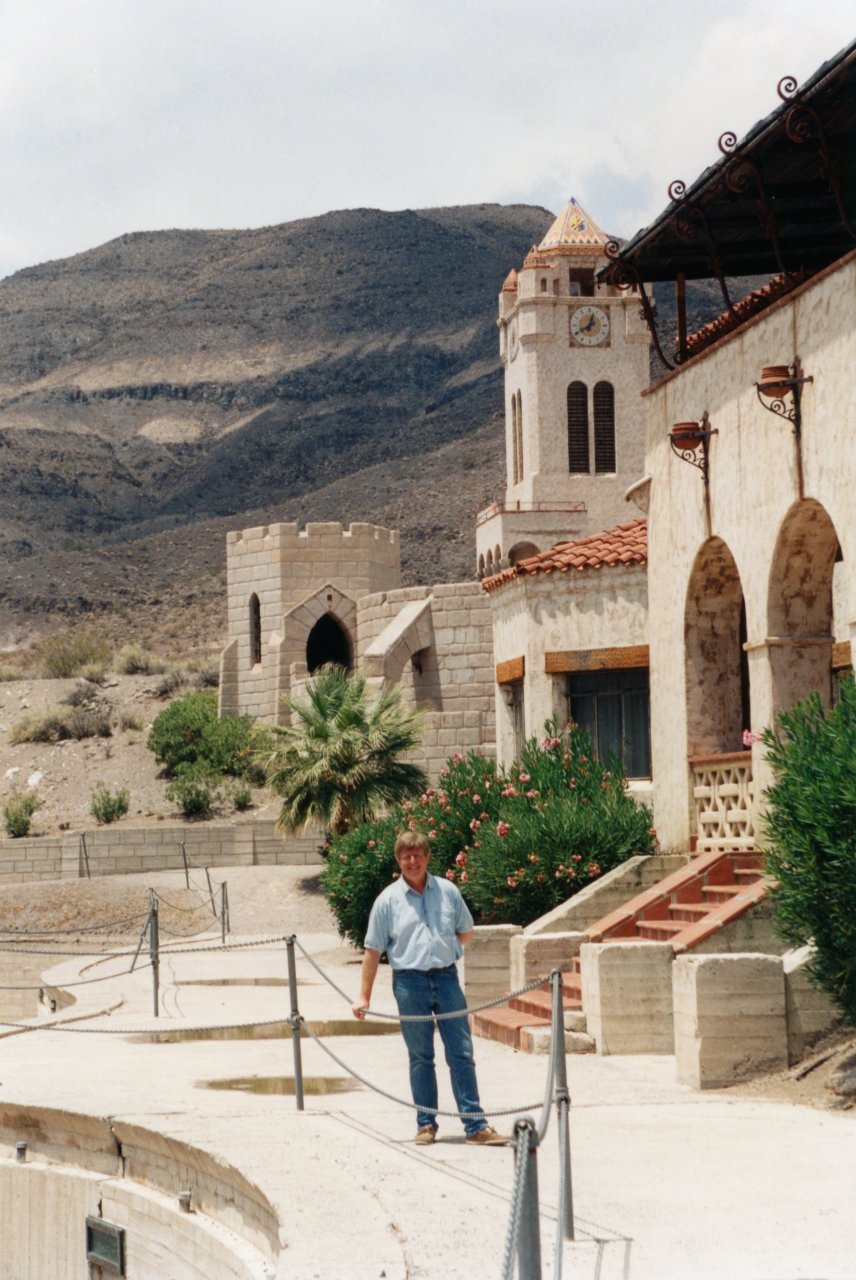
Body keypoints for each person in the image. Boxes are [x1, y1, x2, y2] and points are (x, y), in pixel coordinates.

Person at [352, 830, 507, 1146]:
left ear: (427, 857)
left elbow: (465, 932)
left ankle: (475, 1126)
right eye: (406, 856)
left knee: (461, 1052)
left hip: (447, 979)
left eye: (418, 855)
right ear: (399, 860)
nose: (413, 861)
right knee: (420, 1056)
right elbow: (372, 951)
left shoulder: (448, 891)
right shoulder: (387, 901)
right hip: (409, 984)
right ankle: (426, 1125)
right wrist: (363, 996)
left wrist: (445, 949)